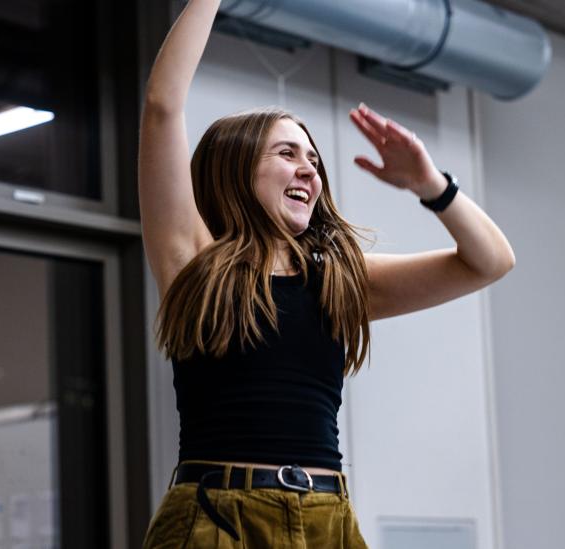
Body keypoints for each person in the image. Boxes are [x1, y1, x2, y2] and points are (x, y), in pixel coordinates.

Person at [138, 1, 515, 547]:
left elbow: (491, 261)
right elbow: (162, 107)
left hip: (326, 518)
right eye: (287, 153)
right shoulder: (193, 260)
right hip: (217, 516)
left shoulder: (337, 280)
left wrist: (432, 185)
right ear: (236, 169)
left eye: (313, 160)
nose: (308, 169)